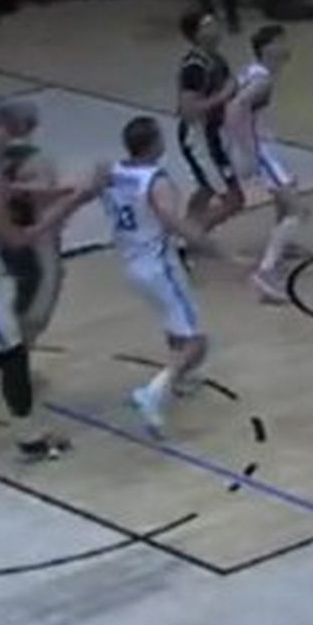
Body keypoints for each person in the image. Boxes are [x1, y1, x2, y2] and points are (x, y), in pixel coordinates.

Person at [0, 120, 100, 460]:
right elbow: (19, 239)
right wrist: (73, 203)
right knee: (13, 355)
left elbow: (17, 192)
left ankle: (29, 436)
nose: (6, 139)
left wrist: (66, 191)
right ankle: (29, 440)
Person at [101, 118, 218, 437]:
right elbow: (172, 221)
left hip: (131, 263)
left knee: (173, 324)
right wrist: (211, 247)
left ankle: (180, 380)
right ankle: (153, 391)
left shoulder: (111, 172)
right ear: (154, 144)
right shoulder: (156, 180)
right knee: (197, 343)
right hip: (159, 265)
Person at [226, 24, 303, 304]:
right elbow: (234, 108)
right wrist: (247, 148)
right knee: (296, 209)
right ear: (268, 48)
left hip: (260, 146)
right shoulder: (262, 81)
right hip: (259, 150)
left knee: (286, 191)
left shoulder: (252, 71)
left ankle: (283, 245)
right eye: (281, 41)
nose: (287, 46)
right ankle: (265, 272)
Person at [0, 99, 65, 345]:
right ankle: (16, 355)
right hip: (33, 243)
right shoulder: (38, 160)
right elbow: (47, 203)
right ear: (29, 125)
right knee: (32, 314)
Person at [176, 8, 241, 233]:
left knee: (206, 187)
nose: (216, 29)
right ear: (196, 34)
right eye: (208, 25)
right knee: (234, 199)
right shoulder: (194, 66)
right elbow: (188, 111)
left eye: (215, 23)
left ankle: (185, 229)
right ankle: (190, 238)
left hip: (214, 135)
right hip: (198, 137)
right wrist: (223, 95)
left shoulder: (217, 60)